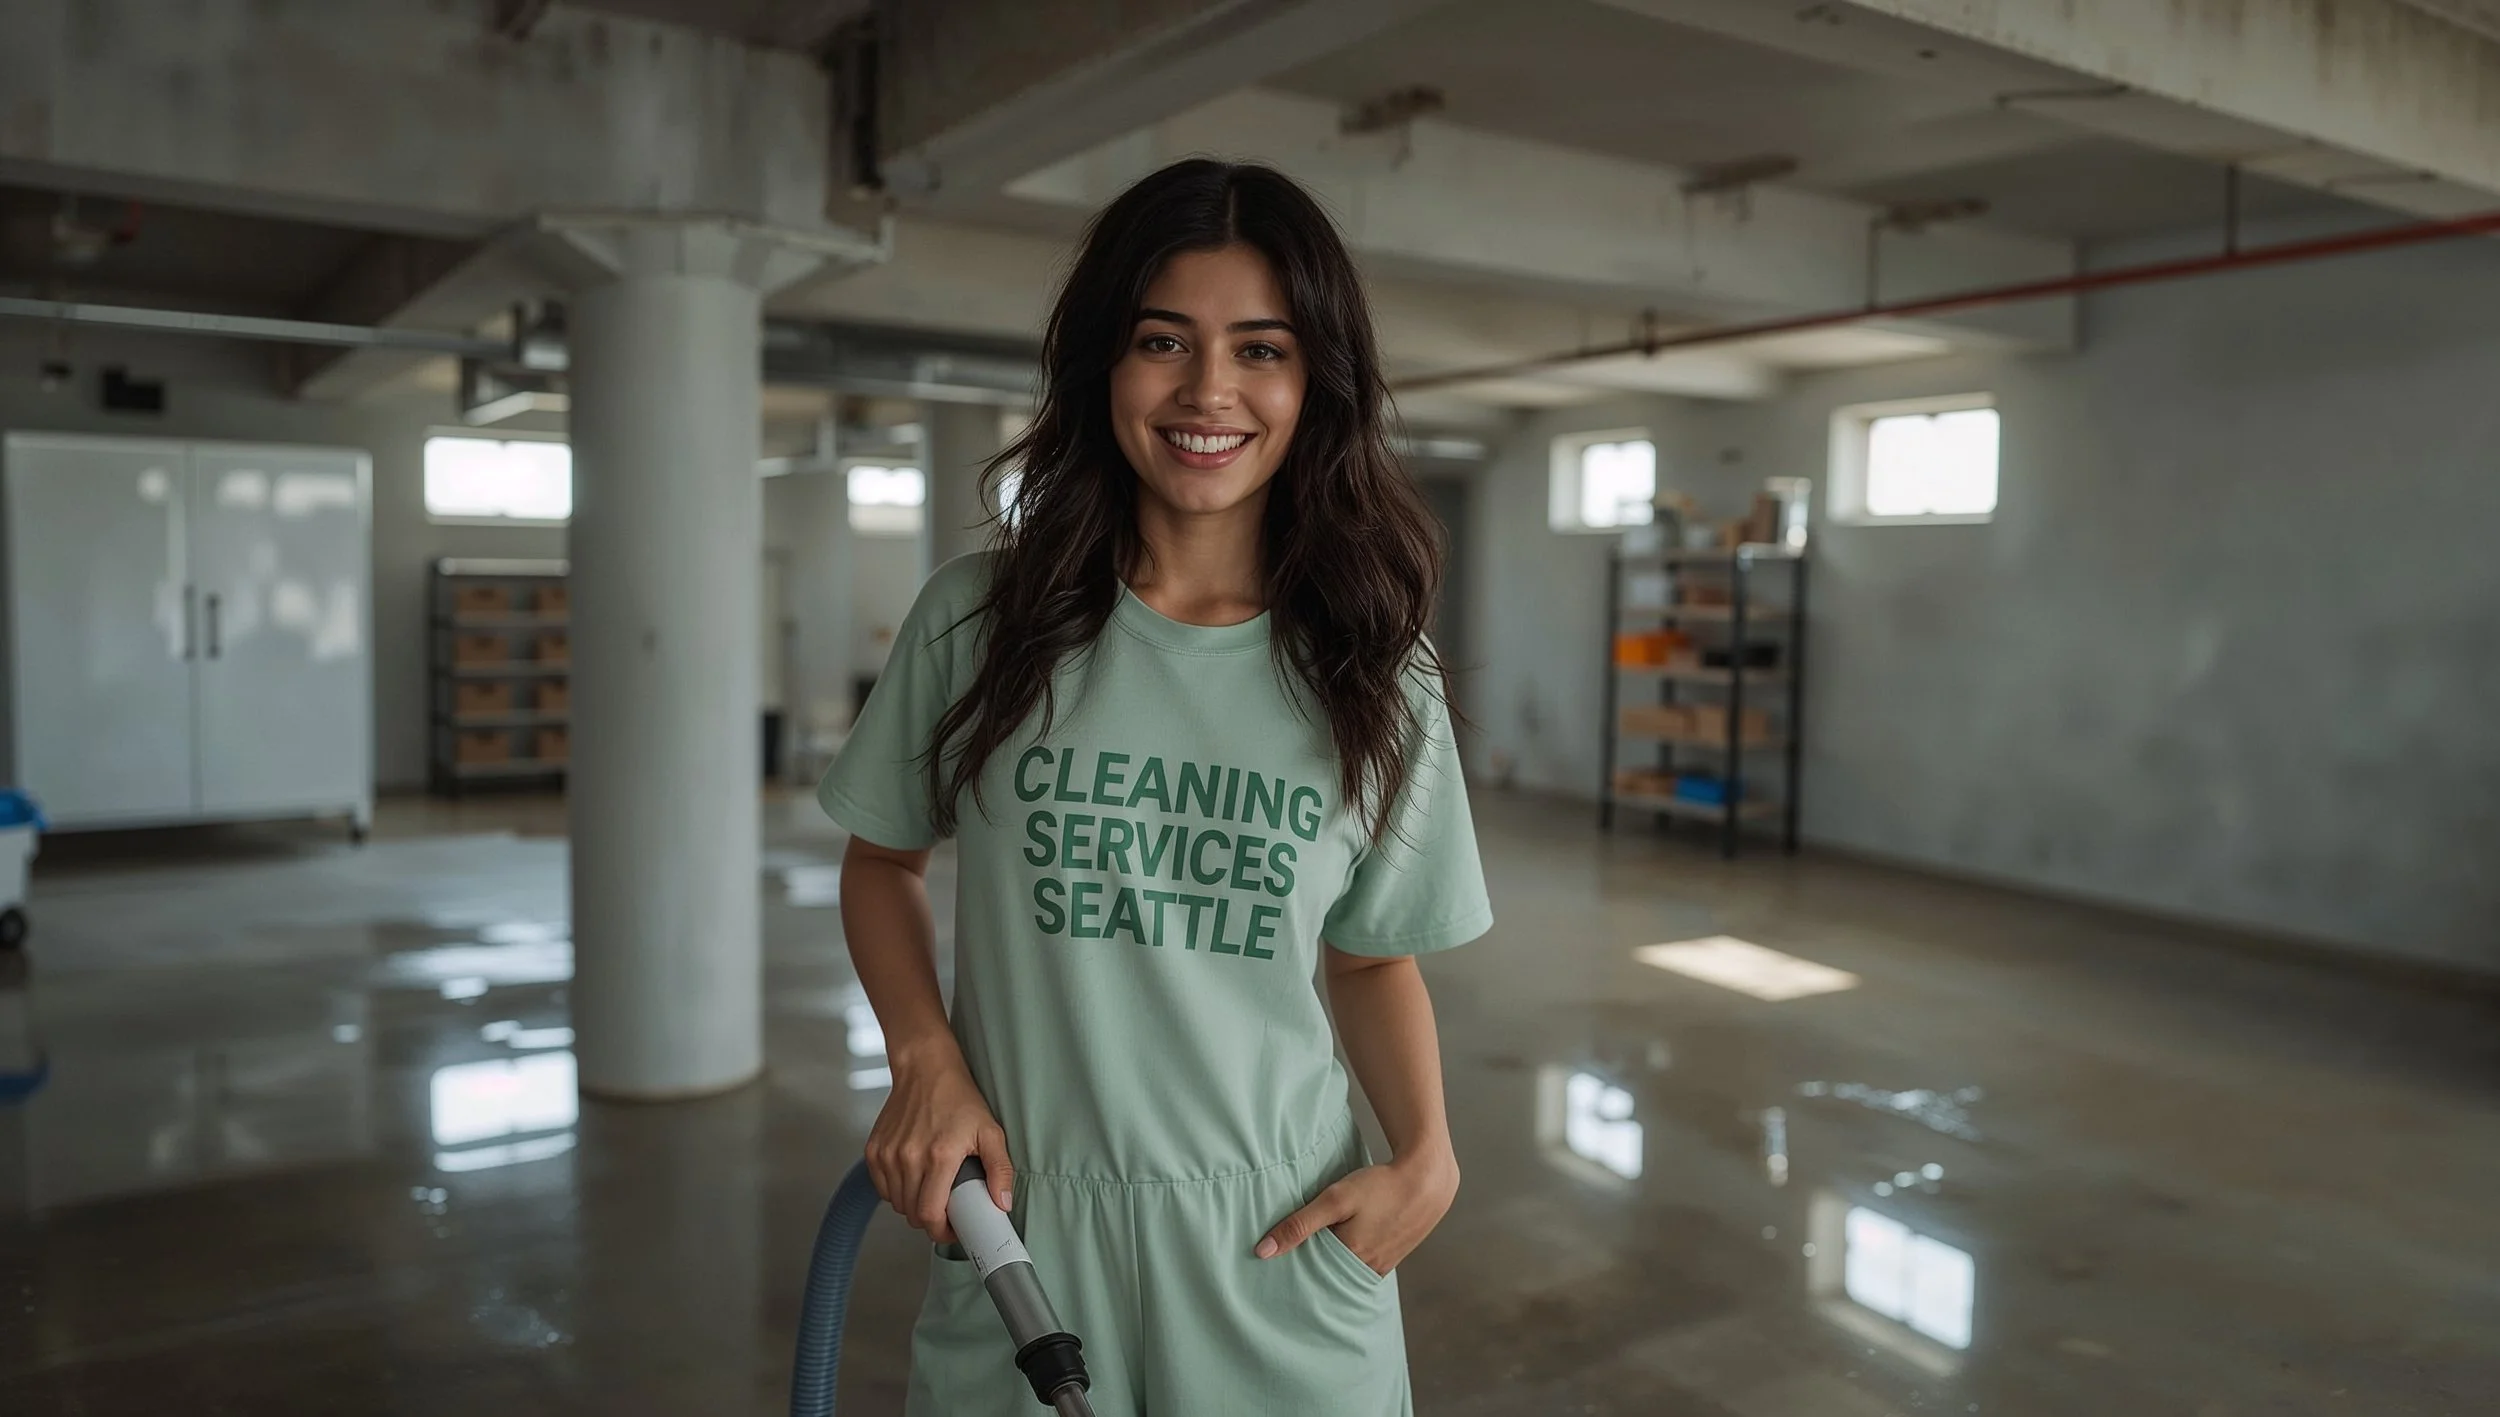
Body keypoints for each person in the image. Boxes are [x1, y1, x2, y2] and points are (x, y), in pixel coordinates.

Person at [818, 157, 1493, 1416]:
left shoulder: (1371, 667)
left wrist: (1429, 1157)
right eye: (1162, 342)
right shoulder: (978, 622)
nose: (1209, 392)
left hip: (1281, 1244)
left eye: (1262, 350)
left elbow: (1367, 955)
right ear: (1102, 367)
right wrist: (925, 1058)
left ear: (1315, 382)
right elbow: (882, 858)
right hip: (1023, 1229)